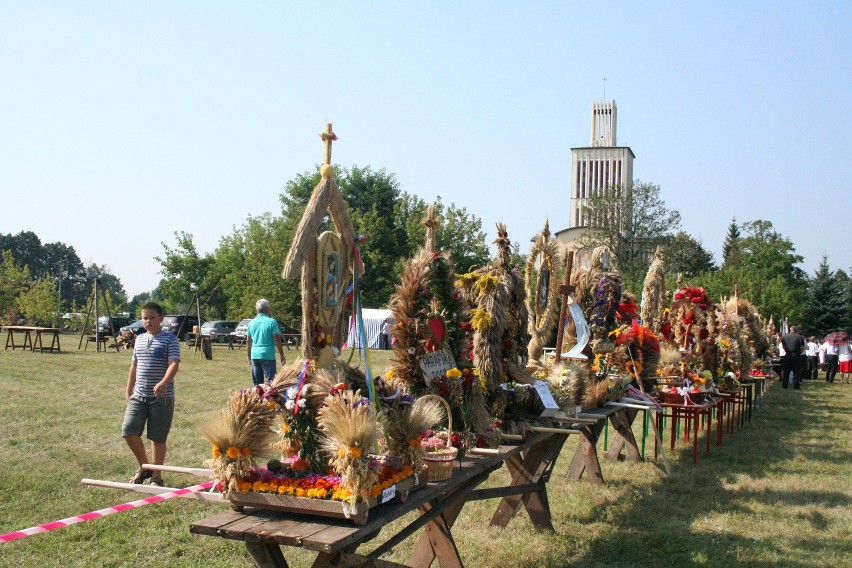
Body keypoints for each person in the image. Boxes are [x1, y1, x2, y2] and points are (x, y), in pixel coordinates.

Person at [122, 302, 181, 487]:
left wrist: (164, 382)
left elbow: (174, 363)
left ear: (161, 318)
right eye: (144, 317)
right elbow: (134, 365)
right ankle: (144, 466)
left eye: (152, 317)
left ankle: (156, 477)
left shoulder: (170, 339)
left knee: (157, 437)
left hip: (161, 398)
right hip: (139, 395)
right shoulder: (138, 339)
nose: (148, 321)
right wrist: (128, 389)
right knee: (129, 431)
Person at [247, 298, 286, 385]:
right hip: (268, 355)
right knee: (271, 384)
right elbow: (277, 339)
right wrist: (282, 355)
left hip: (255, 355)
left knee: (257, 385)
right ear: (267, 309)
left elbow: (248, 341)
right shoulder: (272, 322)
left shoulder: (251, 322)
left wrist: (248, 355)